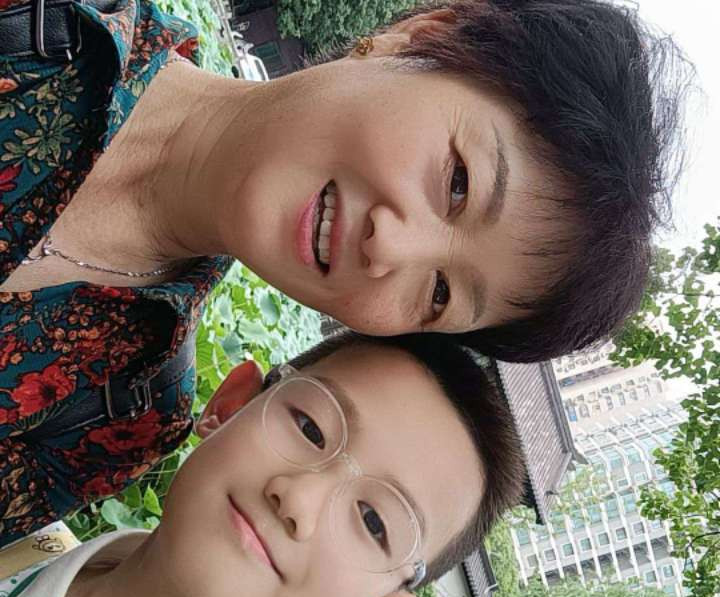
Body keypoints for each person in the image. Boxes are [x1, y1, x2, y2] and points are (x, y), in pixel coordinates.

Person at [0, 0, 684, 529]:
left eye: (440, 294)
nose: (390, 250)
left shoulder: (122, 415)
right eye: (457, 183)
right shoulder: (47, 20)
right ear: (419, 39)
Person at [0, 331, 524, 597]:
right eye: (310, 427)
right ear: (231, 405)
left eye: (373, 522)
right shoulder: (18, 520)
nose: (297, 498)